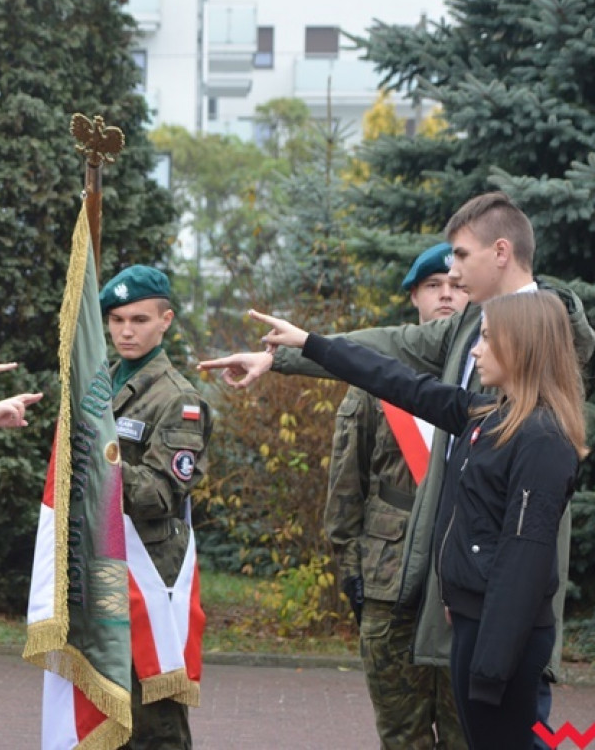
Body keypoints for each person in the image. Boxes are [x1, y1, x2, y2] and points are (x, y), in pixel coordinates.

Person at [199, 192, 595, 737]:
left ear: (501, 252)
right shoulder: (470, 339)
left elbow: (525, 552)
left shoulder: (552, 325)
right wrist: (289, 352)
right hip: (466, 600)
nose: (451, 275)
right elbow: (393, 360)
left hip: (509, 606)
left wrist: (493, 655)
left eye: (460, 255)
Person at [244, 291, 587, 750]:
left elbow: (523, 561)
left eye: (486, 339)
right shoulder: (485, 415)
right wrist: (310, 343)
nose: (476, 350)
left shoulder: (541, 438)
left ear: (523, 346)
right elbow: (397, 381)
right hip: (470, 624)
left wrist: (489, 670)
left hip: (498, 643)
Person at [327, 242, 469, 749]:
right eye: (434, 286)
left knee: (465, 735)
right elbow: (346, 489)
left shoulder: (488, 371)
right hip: (389, 586)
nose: (447, 296)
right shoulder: (373, 377)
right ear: (414, 296)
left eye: (457, 285)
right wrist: (352, 575)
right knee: (401, 735)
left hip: (462, 585)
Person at [98, 265, 213, 750]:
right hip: (104, 567)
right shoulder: (103, 381)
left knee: (153, 723)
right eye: (117, 319)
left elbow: (162, 494)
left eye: (140, 320)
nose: (126, 330)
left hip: (148, 572)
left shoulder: (179, 399)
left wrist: (101, 467)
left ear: (165, 321)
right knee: (105, 707)